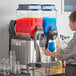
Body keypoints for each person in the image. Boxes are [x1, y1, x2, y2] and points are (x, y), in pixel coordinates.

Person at [44, 11, 76, 76]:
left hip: (73, 68)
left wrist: (49, 53)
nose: (69, 24)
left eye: (70, 22)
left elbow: (62, 55)